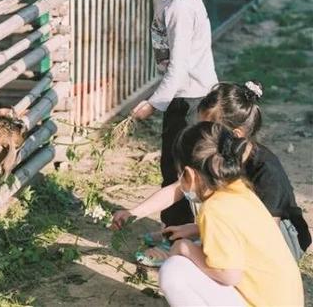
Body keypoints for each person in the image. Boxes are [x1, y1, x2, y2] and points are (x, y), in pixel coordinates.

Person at [111, 81, 311, 262]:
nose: (200, 133)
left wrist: (199, 235)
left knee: (195, 252)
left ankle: (187, 254)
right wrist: (133, 212)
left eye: (207, 127)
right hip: (242, 229)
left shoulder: (266, 171)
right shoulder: (217, 155)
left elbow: (265, 233)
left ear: (234, 135)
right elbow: (180, 188)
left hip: (281, 240)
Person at [119, 0, 218, 226]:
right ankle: (177, 232)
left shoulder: (181, 5)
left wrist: (152, 103)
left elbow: (178, 67)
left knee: (181, 170)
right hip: (182, 94)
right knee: (172, 164)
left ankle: (179, 235)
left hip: (192, 99)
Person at [158, 121, 303, 306]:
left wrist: (184, 248)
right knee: (199, 249)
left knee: (174, 270)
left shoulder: (213, 209)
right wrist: (196, 229)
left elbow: (230, 274)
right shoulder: (239, 190)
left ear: (189, 173)